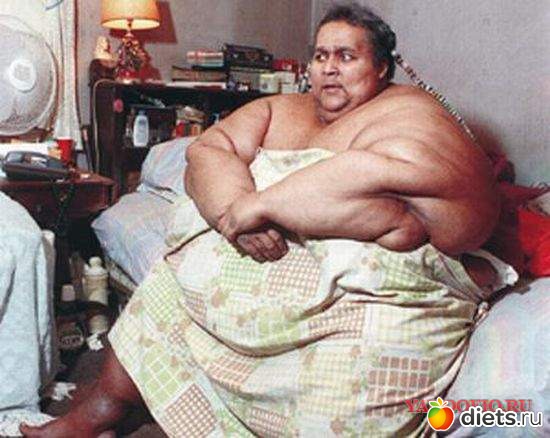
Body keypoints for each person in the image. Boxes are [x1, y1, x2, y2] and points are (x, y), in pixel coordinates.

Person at [22, 3, 503, 437]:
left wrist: (260, 205)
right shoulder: (281, 108)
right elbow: (208, 150)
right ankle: (100, 410)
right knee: (166, 279)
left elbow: (426, 189)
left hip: (356, 296)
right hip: (247, 256)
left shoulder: (408, 110)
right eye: (320, 56)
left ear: (380, 68)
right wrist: (234, 208)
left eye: (346, 56)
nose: (329, 68)